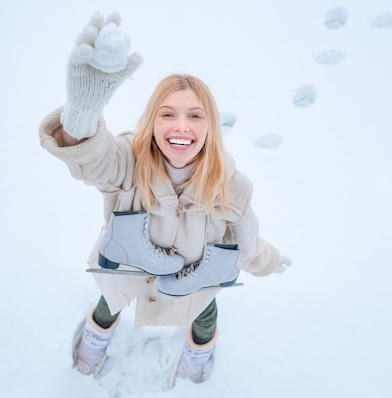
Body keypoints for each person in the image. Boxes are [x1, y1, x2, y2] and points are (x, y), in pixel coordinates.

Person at [38, 12, 292, 384]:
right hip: (124, 275)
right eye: (168, 114)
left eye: (195, 116)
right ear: (152, 122)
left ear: (210, 127)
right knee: (109, 305)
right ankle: (97, 335)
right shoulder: (129, 163)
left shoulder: (232, 188)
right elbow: (95, 159)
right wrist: (81, 116)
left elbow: (247, 244)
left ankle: (197, 354)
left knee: (205, 317)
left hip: (196, 286)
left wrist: (268, 261)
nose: (181, 126)